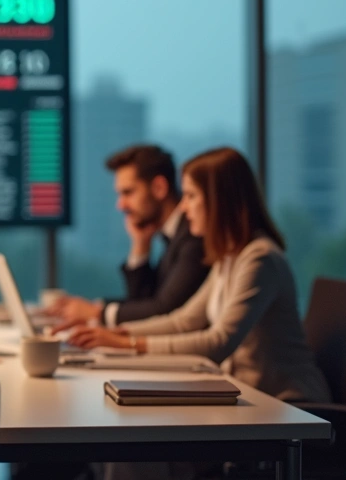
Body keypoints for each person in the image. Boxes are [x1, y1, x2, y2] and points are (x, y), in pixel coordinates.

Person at [69, 147, 331, 403]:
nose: (184, 207)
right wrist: (120, 333)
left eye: (191, 196)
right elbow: (184, 321)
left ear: (220, 201)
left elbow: (218, 342)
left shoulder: (259, 258)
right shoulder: (229, 257)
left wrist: (127, 344)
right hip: (250, 397)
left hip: (288, 405)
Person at [47, 145, 206, 330]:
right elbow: (144, 301)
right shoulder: (173, 234)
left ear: (159, 188)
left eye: (128, 192)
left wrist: (98, 313)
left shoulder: (193, 236)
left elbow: (165, 308)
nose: (121, 205)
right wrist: (140, 245)